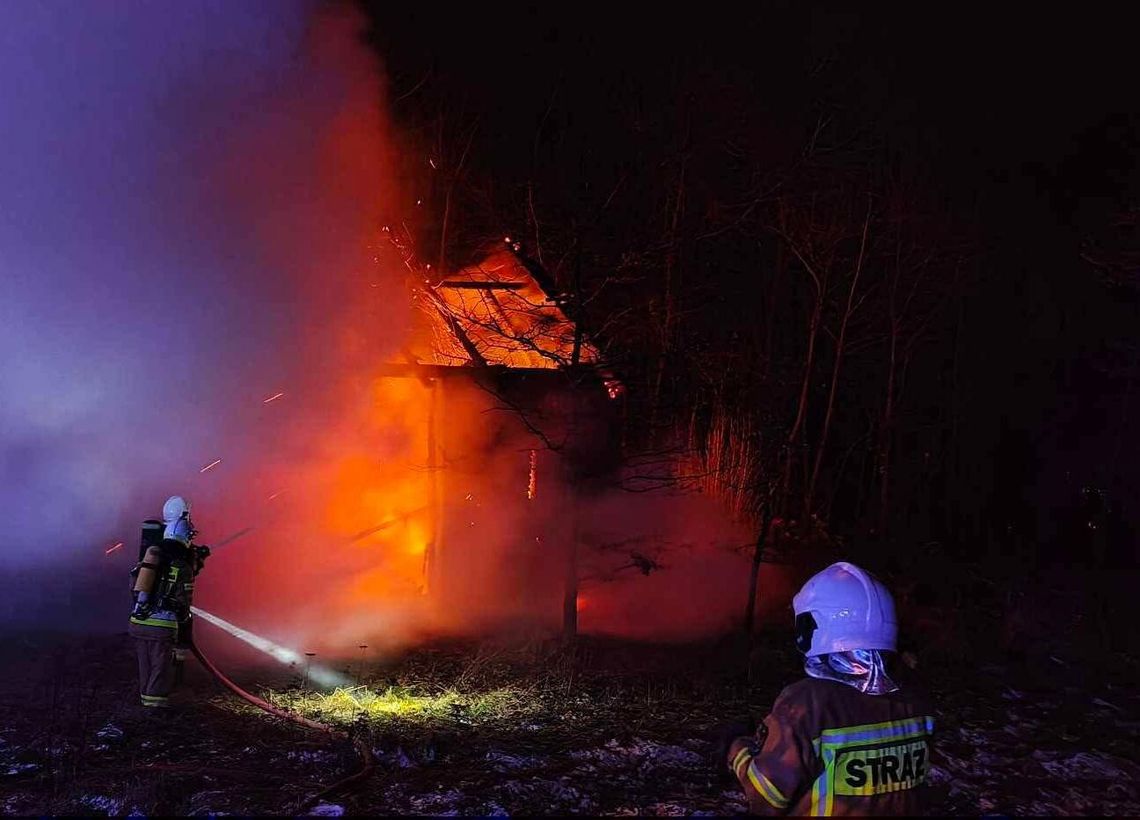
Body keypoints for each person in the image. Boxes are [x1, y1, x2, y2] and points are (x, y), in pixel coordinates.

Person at [716, 561, 934, 816]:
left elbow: (767, 796)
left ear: (811, 628)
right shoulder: (915, 698)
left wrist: (736, 749)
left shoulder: (808, 702)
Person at [128, 495, 209, 708]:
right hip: (161, 626)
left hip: (138, 622)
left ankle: (144, 706)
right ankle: (154, 714)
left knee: (145, 668)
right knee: (160, 670)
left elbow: (136, 585)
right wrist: (184, 621)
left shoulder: (153, 554)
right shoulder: (182, 566)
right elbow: (184, 600)